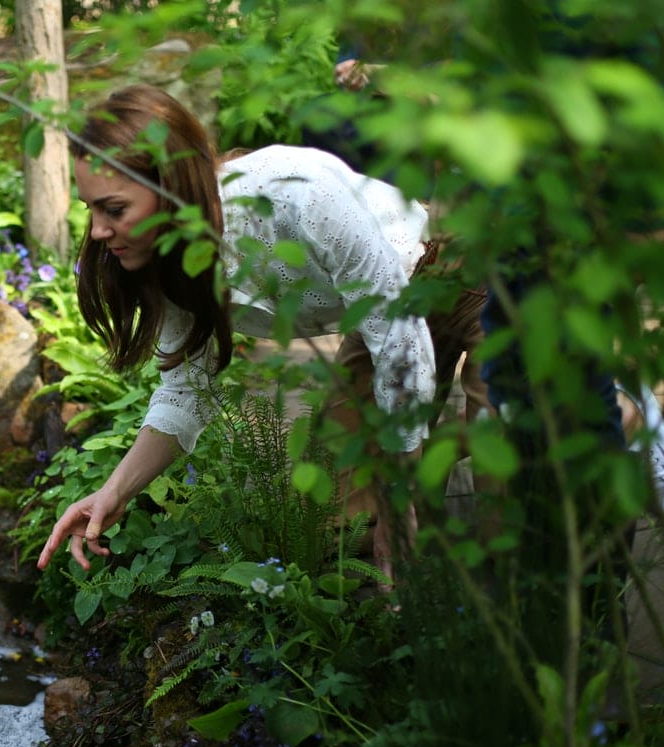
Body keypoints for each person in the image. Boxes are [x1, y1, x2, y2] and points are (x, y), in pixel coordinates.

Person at [36, 84, 444, 576]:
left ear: (172, 185)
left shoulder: (295, 195)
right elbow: (188, 390)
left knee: (500, 476)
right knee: (341, 520)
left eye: (115, 209)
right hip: (372, 318)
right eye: (91, 210)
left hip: (441, 270)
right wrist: (112, 492)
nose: (98, 230)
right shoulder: (172, 260)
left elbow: (398, 335)